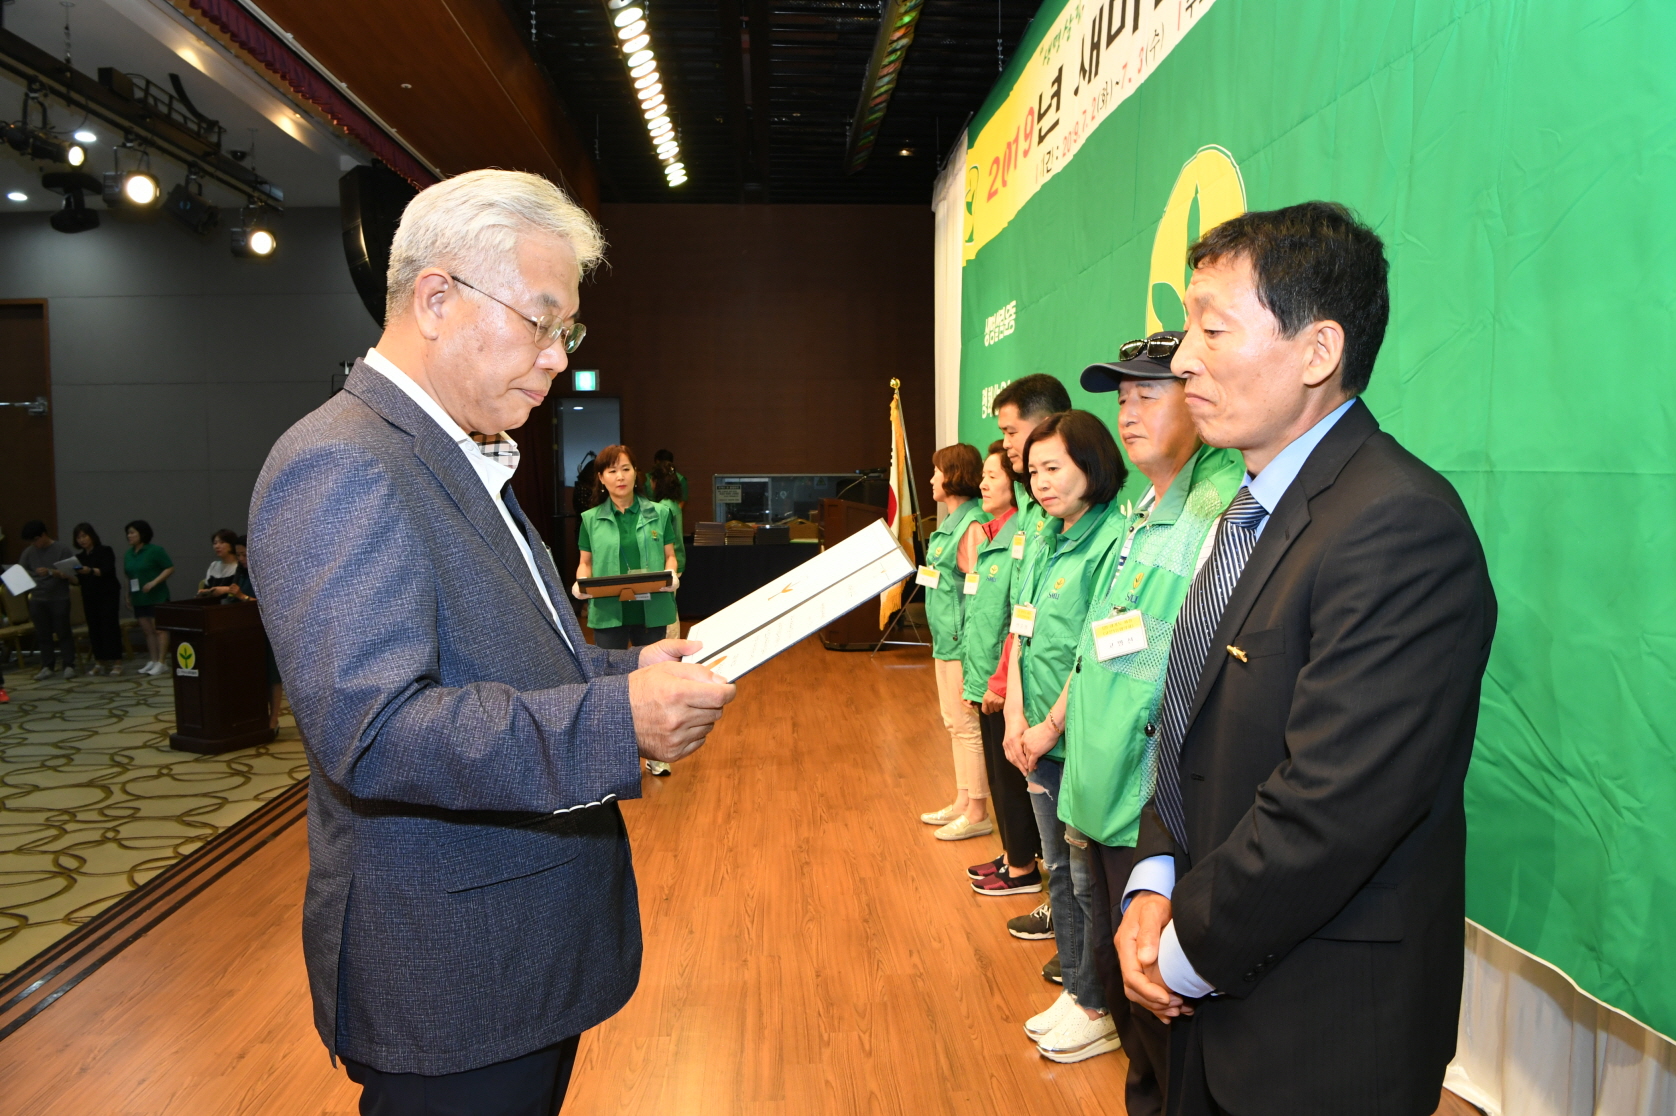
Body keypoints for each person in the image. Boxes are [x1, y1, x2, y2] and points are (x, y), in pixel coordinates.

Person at [249, 168, 736, 1116]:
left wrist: (626, 668)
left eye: (567, 333)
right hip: (452, 978)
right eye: (541, 322)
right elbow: (375, 731)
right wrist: (616, 719)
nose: (556, 358)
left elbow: (513, 651)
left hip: (514, 952)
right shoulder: (342, 461)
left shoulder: (457, 451)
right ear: (436, 299)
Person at [1115, 202, 1497, 1116]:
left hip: (1318, 1031)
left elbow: (1332, 807)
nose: (1182, 360)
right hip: (1210, 983)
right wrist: (1153, 878)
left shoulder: (1398, 525)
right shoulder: (1250, 506)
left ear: (1319, 351)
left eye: (1212, 330)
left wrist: (1178, 950)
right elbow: (1190, 726)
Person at [1033, 334, 1243, 1114]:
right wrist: (1053, 725)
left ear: (1199, 397)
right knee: (1130, 1014)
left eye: (1149, 394)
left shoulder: (1220, 505)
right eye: (1122, 397)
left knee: (1163, 1019)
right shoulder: (1141, 509)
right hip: (1100, 786)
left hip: (1150, 807)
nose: (1128, 412)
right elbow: (1103, 642)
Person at [1002, 410, 1130, 1064]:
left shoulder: (1115, 539)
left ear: (1092, 463)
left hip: (1076, 740)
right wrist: (1014, 720)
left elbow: (1097, 649)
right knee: (1057, 872)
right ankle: (1077, 989)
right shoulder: (1047, 536)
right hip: (1034, 738)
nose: (1041, 482)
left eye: (1054, 468)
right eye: (1033, 472)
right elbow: (1022, 630)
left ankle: (1097, 1004)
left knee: (1086, 881)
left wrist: (1049, 726)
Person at [972, 374, 1072, 952]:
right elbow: (1021, 610)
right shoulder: (1034, 513)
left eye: (1012, 432)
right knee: (1050, 831)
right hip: (1026, 690)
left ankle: (1075, 941)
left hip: (1060, 703)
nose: (1008, 445)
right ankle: (1060, 914)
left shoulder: (1090, 524)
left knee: (1072, 837)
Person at [960, 441, 1043, 896]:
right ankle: (1013, 853)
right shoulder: (991, 534)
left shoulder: (1020, 537)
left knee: (1012, 780)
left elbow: (1015, 617)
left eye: (993, 476)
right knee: (997, 774)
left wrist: (997, 681)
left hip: (1004, 679)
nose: (984, 483)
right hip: (985, 676)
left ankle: (1022, 866)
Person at [916, 443, 992, 839]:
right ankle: (963, 801)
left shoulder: (972, 525)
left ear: (955, 475)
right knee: (953, 724)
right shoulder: (949, 523)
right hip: (944, 641)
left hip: (962, 645)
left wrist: (970, 646)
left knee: (967, 726)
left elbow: (981, 595)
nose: (932, 479)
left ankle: (978, 811)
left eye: (938, 471)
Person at [574, 444, 681, 663]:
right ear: (601, 478)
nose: (620, 477)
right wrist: (582, 582)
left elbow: (670, 556)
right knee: (610, 672)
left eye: (625, 469)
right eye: (612, 471)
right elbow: (585, 562)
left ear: (635, 472)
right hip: (608, 610)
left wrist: (671, 574)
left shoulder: (660, 513)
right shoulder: (590, 519)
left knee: (654, 672)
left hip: (652, 608)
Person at [644, 462, 688, 775]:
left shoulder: (662, 509)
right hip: (673, 569)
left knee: (668, 626)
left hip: (665, 573)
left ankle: (671, 665)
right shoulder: (675, 504)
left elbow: (668, 548)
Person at [19, 521, 78, 680]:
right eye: (31, 542)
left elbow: (73, 575)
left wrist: (51, 572)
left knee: (63, 632)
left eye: (35, 540)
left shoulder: (62, 549)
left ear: (44, 535)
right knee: (42, 634)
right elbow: (21, 572)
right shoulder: (29, 552)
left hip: (59, 597)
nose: (34, 544)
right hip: (37, 598)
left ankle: (69, 665)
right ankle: (47, 666)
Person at [122, 520, 174, 676]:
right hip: (139, 597)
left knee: (159, 630)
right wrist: (128, 594)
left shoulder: (155, 550)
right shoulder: (129, 554)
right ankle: (153, 660)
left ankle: (162, 662)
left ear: (142, 533)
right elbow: (128, 575)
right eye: (128, 533)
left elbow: (169, 568)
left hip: (156, 596)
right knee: (147, 631)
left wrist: (154, 582)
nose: (129, 536)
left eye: (132, 532)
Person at [73, 523, 125, 675]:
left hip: (107, 593)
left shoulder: (105, 550)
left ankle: (117, 662)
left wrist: (89, 570)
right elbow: (78, 580)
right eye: (78, 537)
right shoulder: (79, 557)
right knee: (94, 627)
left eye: (84, 536)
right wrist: (65, 575)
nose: (82, 540)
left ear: (92, 536)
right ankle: (99, 661)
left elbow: (107, 570)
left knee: (109, 626)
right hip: (89, 595)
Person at [197, 529, 243, 598]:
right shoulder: (214, 565)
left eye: (222, 542)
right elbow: (206, 587)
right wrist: (205, 591)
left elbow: (243, 590)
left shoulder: (240, 566)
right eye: (215, 543)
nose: (217, 546)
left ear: (231, 544)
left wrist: (226, 590)